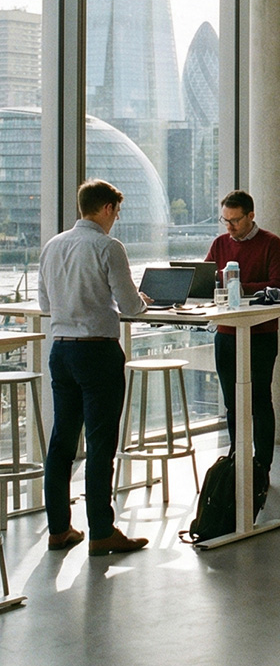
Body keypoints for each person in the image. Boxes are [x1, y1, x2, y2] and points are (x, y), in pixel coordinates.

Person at [39, 179, 151, 556]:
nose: (116, 219)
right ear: (105, 209)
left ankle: (58, 529)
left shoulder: (53, 246)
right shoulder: (107, 246)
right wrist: (142, 302)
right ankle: (102, 531)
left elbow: (44, 303)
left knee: (62, 443)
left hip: (61, 351)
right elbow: (131, 306)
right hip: (98, 353)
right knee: (101, 444)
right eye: (116, 212)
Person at [205, 190, 280, 475]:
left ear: (251, 216)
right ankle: (237, 461)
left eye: (235, 221)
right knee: (232, 401)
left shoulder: (271, 243)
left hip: (261, 333)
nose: (229, 227)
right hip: (227, 333)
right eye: (225, 220)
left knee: (260, 400)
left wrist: (241, 288)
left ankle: (262, 466)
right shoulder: (219, 244)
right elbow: (206, 280)